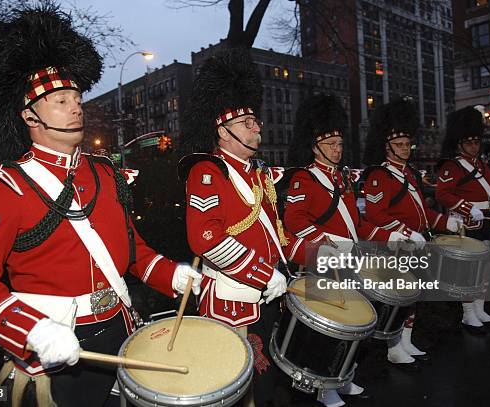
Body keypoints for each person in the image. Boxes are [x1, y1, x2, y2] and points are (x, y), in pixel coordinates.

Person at [0, 7, 200, 406]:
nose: (76, 106)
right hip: (54, 347)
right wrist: (32, 332)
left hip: (121, 330)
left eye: (77, 97)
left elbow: (133, 252)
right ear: (30, 115)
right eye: (61, 100)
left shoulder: (103, 173)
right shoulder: (4, 185)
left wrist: (173, 276)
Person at [178, 48, 307, 407]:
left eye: (255, 121)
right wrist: (262, 274)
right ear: (223, 130)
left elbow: (275, 233)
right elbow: (205, 238)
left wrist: (317, 253)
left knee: (264, 389)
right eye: (247, 122)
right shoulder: (207, 172)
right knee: (238, 387)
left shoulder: (258, 173)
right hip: (234, 301)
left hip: (268, 294)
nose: (257, 127)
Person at [282, 95, 409, 407]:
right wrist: (328, 245)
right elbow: (294, 221)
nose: (338, 149)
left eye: (340, 143)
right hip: (323, 264)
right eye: (332, 144)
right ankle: (324, 386)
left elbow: (356, 224)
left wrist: (389, 234)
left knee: (354, 324)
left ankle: (345, 376)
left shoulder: (344, 178)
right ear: (315, 145)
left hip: (350, 260)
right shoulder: (303, 178)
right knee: (332, 327)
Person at [362, 98, 462, 367]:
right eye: (399, 145)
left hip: (415, 244)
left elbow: (422, 213)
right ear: (387, 147)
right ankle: (393, 346)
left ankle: (405, 340)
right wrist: (405, 232)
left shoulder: (410, 174)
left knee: (412, 296)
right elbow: (376, 216)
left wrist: (444, 221)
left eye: (408, 144)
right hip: (396, 246)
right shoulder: (379, 176)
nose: (405, 149)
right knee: (398, 297)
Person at [435, 106, 490, 332]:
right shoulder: (452, 166)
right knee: (469, 269)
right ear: (460, 143)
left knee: (486, 266)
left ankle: (480, 307)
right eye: (469, 142)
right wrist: (467, 208)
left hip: (487, 219)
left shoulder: (481, 164)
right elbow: (442, 194)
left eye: (476, 141)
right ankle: (468, 312)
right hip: (469, 222)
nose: (474, 146)